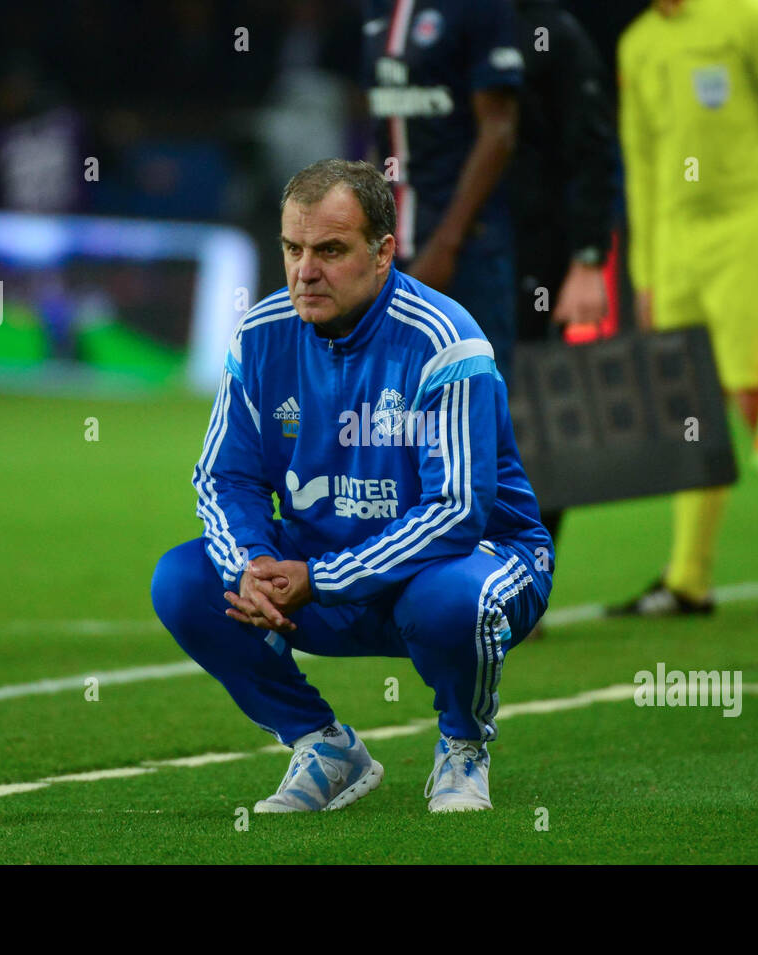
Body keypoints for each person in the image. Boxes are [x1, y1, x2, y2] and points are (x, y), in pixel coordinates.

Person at [151, 159, 553, 813]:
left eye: (330, 250)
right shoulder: (259, 336)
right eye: (293, 248)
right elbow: (225, 478)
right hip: (322, 569)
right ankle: (321, 744)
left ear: (383, 252)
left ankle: (463, 744)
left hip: (477, 562)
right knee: (186, 581)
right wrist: (251, 563)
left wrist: (323, 578)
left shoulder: (444, 342)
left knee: (452, 598)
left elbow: (455, 513)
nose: (305, 271)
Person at [612, 0, 758, 617]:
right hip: (675, 245)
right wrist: (644, 270)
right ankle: (688, 577)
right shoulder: (636, 42)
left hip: (752, 231)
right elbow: (639, 163)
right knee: (690, 403)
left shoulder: (754, 16)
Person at [360, 0, 524, 379]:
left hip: (467, 249)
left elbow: (499, 130)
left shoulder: (480, 9)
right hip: (391, 251)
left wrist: (446, 245)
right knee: (388, 409)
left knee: (475, 406)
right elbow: (382, 130)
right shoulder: (376, 9)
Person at [512, 0, 619, 549]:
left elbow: (593, 149)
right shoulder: (445, 22)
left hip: (538, 257)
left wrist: (587, 258)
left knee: (538, 416)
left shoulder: (553, 33)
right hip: (456, 251)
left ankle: (529, 569)